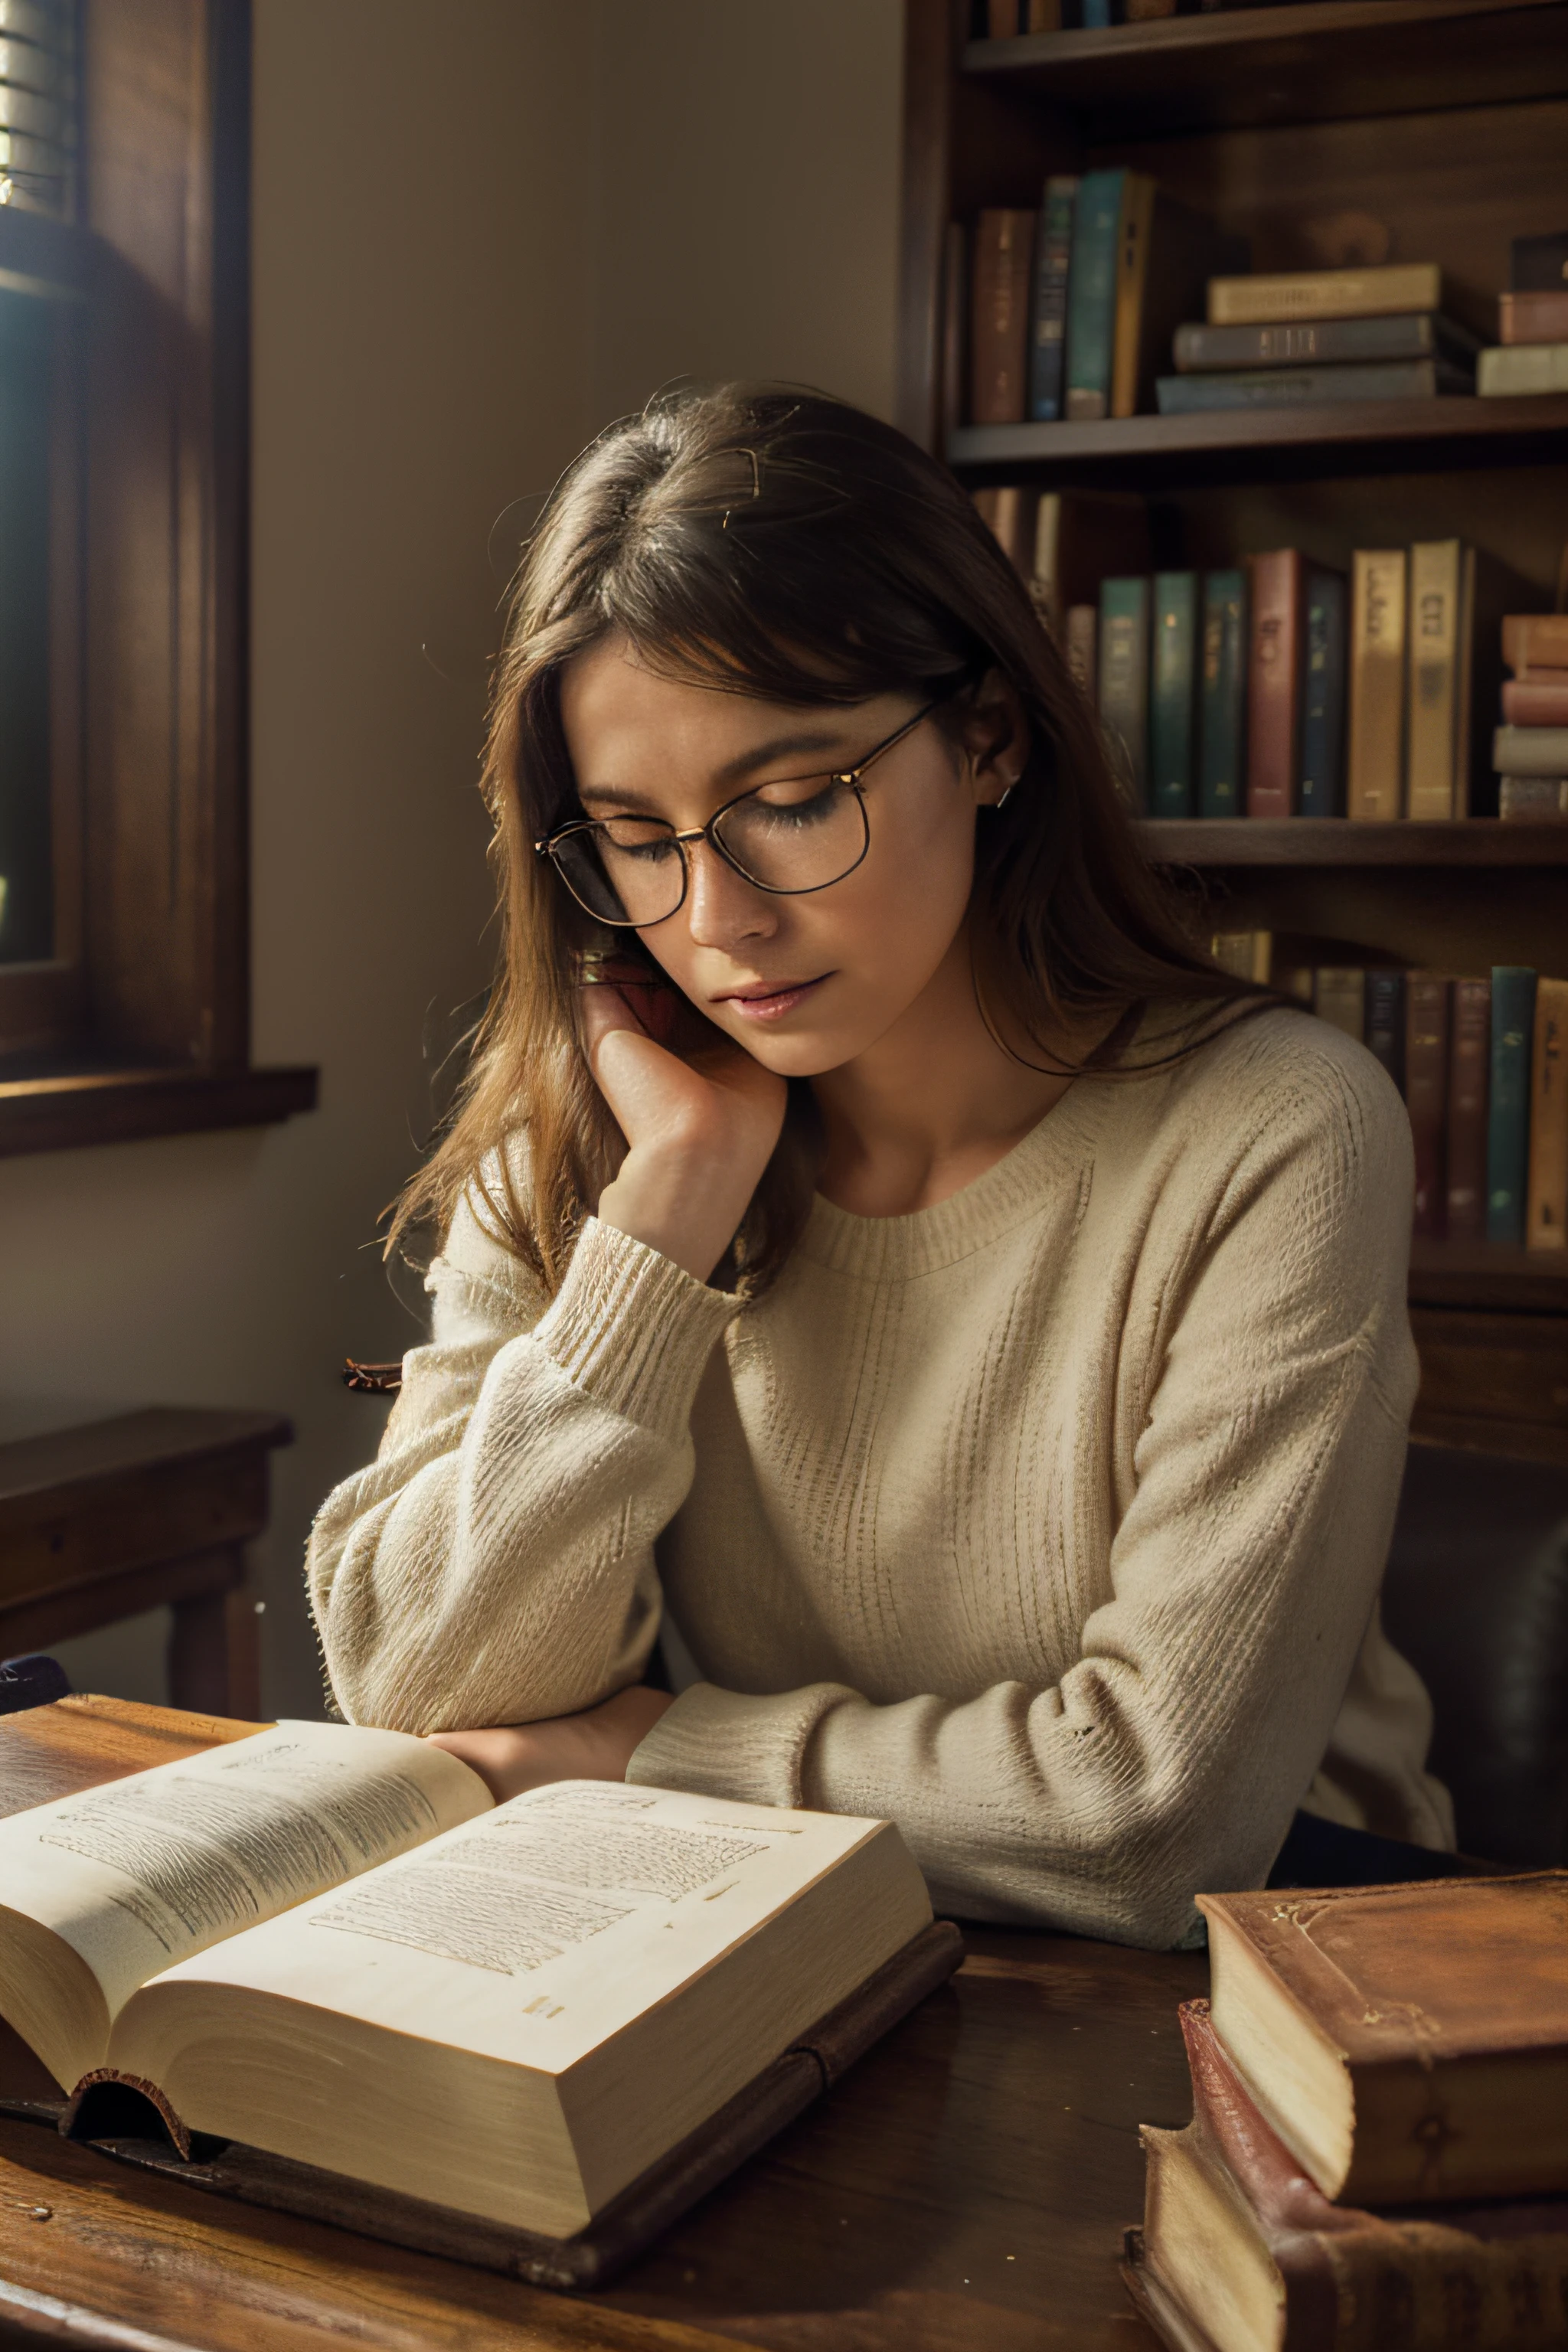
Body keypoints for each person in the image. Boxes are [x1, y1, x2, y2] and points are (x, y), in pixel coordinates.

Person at [306, 384, 1452, 1949]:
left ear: (987, 736)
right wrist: (669, 1218)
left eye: (787, 802)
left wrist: (644, 1754)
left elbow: (1155, 1819)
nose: (716, 922)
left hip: (1293, 1978)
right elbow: (419, 1684)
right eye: (637, 835)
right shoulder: (601, 1148)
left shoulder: (1274, 1131)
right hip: (802, 1927)